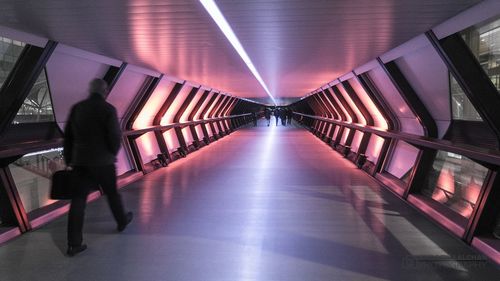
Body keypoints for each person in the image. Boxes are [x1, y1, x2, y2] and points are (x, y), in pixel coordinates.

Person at [64, 78, 133, 257]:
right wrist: (111, 153)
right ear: (105, 91)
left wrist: (69, 158)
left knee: (78, 201)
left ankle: (74, 244)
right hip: (103, 162)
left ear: (90, 90)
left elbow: (69, 137)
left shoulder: (77, 108)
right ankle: (122, 221)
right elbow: (115, 136)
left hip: (80, 162)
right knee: (112, 194)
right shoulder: (108, 109)